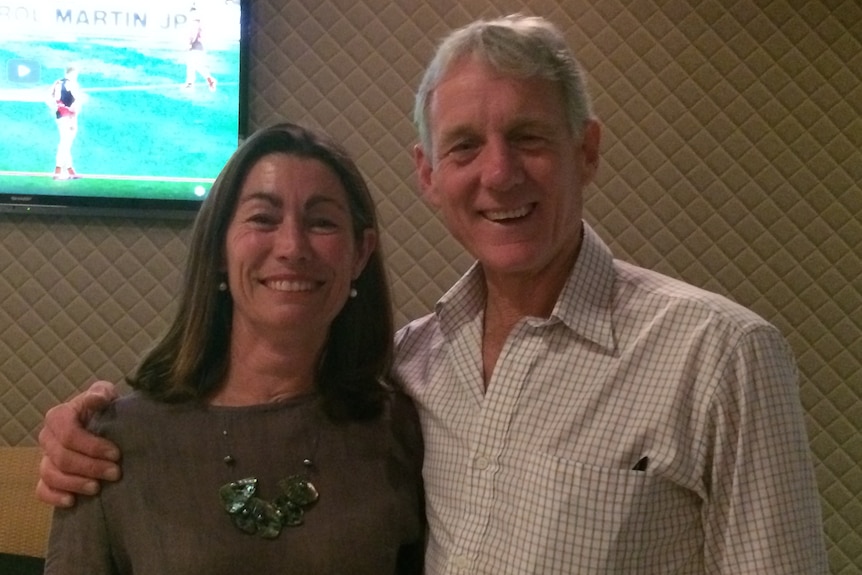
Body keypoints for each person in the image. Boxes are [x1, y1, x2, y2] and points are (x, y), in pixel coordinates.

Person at [37, 15, 828, 574]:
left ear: (585, 150)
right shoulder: (415, 368)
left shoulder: (718, 354)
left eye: (528, 137)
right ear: (429, 175)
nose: (499, 174)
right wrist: (87, 419)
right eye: (464, 146)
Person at [41, 122, 425, 575]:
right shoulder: (107, 443)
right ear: (220, 247)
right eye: (263, 218)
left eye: (322, 222)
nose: (292, 247)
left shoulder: (403, 430)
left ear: (360, 254)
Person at [49, 65, 83, 180]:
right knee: (65, 145)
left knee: (65, 144)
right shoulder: (72, 84)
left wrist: (58, 108)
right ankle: (58, 171)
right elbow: (75, 105)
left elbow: (51, 98)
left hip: (60, 117)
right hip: (68, 118)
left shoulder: (58, 82)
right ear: (73, 73)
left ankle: (69, 171)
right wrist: (72, 121)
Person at [185, 6, 217, 91]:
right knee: (194, 65)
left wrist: (190, 43)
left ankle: (191, 82)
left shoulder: (195, 23)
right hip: (198, 46)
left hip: (196, 46)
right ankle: (206, 80)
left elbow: (194, 34)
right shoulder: (198, 22)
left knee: (193, 65)